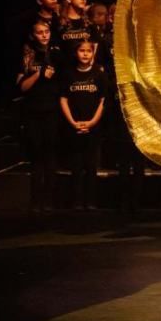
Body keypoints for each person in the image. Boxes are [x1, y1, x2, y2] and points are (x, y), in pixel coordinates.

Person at [18, 22, 61, 212]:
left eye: (46, 32)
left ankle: (50, 200)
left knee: (50, 155)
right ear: (33, 35)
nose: (44, 35)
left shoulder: (56, 54)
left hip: (52, 110)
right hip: (32, 111)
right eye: (40, 33)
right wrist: (38, 74)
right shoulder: (27, 56)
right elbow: (22, 87)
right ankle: (36, 201)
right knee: (36, 156)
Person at [59, 40, 108, 210]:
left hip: (93, 126)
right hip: (74, 125)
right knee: (76, 165)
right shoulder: (69, 74)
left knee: (91, 165)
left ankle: (91, 201)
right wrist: (73, 122)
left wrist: (93, 122)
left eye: (88, 51)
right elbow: (63, 99)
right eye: (81, 50)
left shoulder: (99, 74)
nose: (85, 53)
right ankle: (77, 201)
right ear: (76, 53)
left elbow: (103, 99)